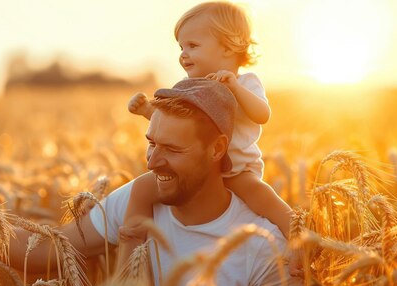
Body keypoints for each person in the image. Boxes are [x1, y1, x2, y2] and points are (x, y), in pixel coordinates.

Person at [9, 78, 303, 286]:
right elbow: (49, 248)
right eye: (151, 144)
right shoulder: (136, 202)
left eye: (173, 150)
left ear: (217, 149)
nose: (152, 162)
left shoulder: (263, 246)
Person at [126, 2, 294, 261]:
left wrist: (235, 88)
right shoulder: (186, 87)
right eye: (181, 47)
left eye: (193, 46)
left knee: (262, 197)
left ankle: (299, 239)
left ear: (228, 46)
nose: (183, 54)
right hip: (198, 171)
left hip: (237, 170)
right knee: (140, 188)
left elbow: (263, 115)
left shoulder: (247, 83)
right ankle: (132, 247)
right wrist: (148, 110)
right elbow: (173, 128)